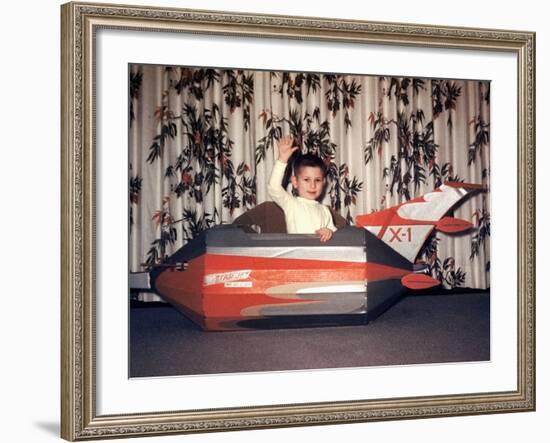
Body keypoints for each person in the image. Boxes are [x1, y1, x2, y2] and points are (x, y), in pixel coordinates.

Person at [267, 135, 336, 242]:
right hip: (297, 256)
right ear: (295, 182)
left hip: (320, 255)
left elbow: (336, 237)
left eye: (317, 180)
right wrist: (282, 159)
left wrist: (329, 232)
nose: (312, 185)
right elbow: (273, 188)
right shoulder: (291, 203)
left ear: (323, 182)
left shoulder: (325, 210)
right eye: (306, 180)